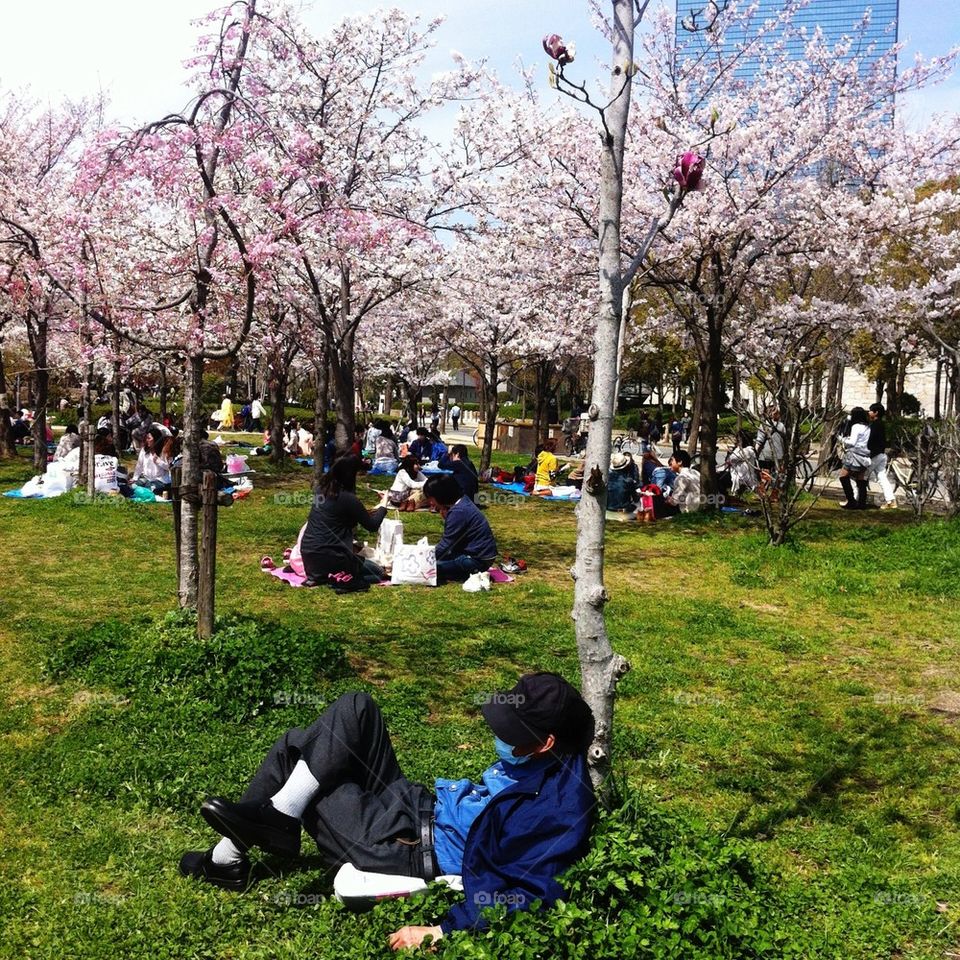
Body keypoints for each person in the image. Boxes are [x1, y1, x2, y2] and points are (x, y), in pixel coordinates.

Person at [178, 672, 595, 950]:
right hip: (414, 805)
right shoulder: (557, 748)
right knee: (357, 708)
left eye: (511, 735)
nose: (499, 738)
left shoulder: (554, 812)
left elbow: (533, 891)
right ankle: (276, 819)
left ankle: (229, 855)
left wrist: (440, 930)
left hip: (402, 846)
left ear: (546, 744)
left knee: (294, 751)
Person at [298, 456, 389, 587]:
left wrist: (375, 509)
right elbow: (372, 526)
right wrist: (384, 504)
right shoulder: (348, 498)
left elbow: (339, 515)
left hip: (309, 556)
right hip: (334, 557)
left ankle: (326, 577)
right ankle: (338, 578)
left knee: (368, 569)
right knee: (378, 572)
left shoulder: (320, 491)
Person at [423, 474, 497, 582]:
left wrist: (425, 558)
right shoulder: (463, 501)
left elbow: (446, 544)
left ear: (440, 495)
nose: (430, 502)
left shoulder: (458, 512)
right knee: (438, 560)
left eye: (431, 498)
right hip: (482, 555)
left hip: (477, 560)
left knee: (431, 568)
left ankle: (467, 572)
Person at [838, 406, 871, 510]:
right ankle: (862, 503)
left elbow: (852, 442)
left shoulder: (856, 426)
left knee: (843, 476)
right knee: (860, 479)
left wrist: (841, 439)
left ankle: (851, 500)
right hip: (865, 455)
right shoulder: (868, 427)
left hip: (854, 454)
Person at [867, 403, 897, 509]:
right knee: (882, 477)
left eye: (871, 411)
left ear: (876, 413)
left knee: (862, 477)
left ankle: (856, 498)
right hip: (881, 454)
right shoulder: (880, 424)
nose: (869, 412)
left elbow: (870, 441)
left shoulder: (875, 425)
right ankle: (891, 500)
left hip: (874, 455)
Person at [132, 426, 172, 495]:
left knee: (150, 488)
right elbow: (139, 466)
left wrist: (159, 461)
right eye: (146, 438)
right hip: (147, 479)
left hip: (160, 480)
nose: (147, 440)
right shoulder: (144, 450)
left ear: (155, 439)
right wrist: (135, 478)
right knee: (134, 486)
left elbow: (169, 467)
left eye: (149, 438)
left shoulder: (164, 451)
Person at [755, 407, 786, 473]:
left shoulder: (764, 425)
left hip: (765, 456)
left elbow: (759, 441)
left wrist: (755, 453)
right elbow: (784, 442)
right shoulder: (782, 426)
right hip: (779, 456)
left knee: (765, 477)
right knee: (776, 476)